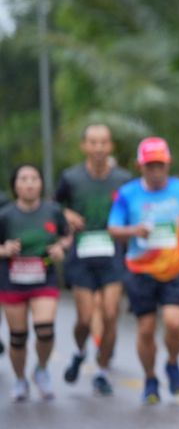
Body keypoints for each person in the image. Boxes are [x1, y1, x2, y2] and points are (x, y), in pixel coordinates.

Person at [107, 137, 179, 405]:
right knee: (146, 330)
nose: (155, 171)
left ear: (168, 165)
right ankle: (150, 378)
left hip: (175, 269)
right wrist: (134, 231)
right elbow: (113, 228)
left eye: (160, 165)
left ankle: (172, 364)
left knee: (174, 323)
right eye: (150, 166)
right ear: (141, 166)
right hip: (140, 270)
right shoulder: (128, 194)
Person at [55, 125, 133, 395]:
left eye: (103, 143)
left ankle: (101, 370)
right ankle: (79, 351)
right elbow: (52, 208)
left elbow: (135, 210)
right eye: (93, 142)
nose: (98, 148)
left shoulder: (123, 180)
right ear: (84, 146)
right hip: (82, 256)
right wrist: (66, 215)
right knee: (85, 319)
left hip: (112, 255)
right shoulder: (71, 178)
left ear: (111, 146)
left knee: (110, 315)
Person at [1, 164, 71, 402]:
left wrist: (60, 247)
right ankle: (20, 379)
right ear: (15, 185)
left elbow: (67, 235)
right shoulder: (6, 215)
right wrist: (4, 250)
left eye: (34, 178)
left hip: (44, 277)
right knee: (18, 336)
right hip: (12, 280)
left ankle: (41, 369)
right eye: (23, 179)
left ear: (41, 183)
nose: (29, 183)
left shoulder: (53, 210)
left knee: (45, 330)